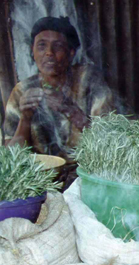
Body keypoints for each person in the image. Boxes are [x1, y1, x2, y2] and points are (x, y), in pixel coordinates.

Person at [4, 16, 114, 159]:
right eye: (41, 45)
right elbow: (10, 159)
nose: (49, 52)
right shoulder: (22, 91)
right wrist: (25, 118)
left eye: (58, 46)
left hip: (84, 171)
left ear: (71, 53)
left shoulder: (89, 81)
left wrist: (70, 109)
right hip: (43, 175)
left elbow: (110, 143)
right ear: (33, 51)